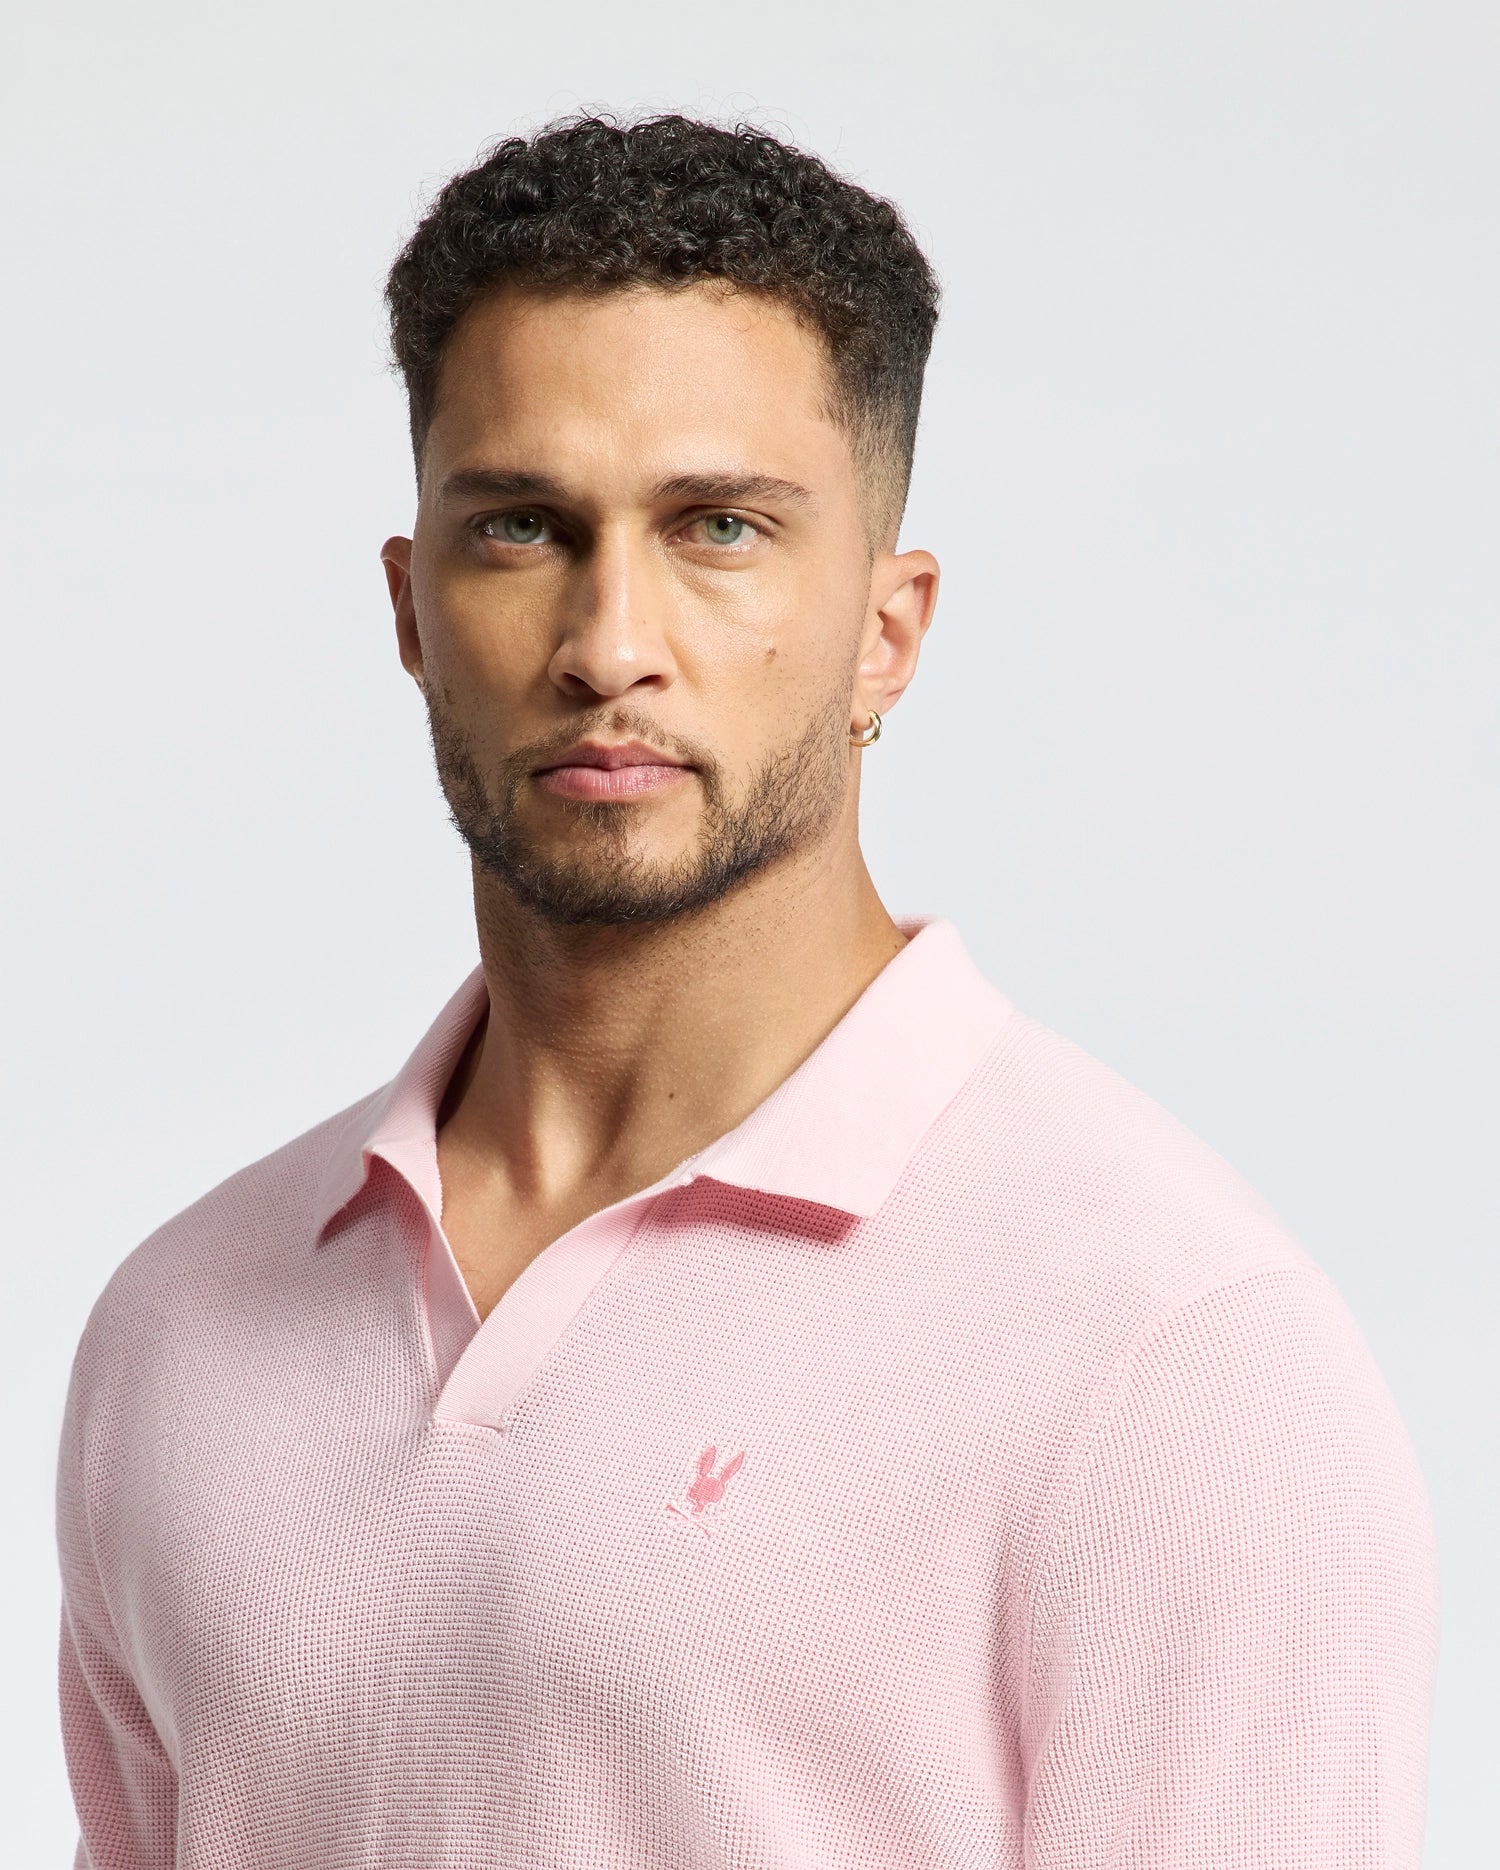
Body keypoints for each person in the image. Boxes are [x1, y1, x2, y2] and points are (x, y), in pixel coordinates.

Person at [55, 114, 1440, 1870]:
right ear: (411, 610)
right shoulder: (178, 1328)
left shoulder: (1171, 1358)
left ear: (887, 630)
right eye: (521, 528)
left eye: (718, 527)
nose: (609, 643)